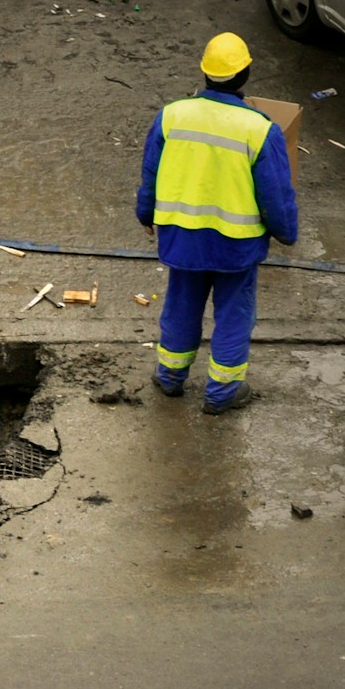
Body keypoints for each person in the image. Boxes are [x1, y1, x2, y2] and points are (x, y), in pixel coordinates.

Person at [135, 32, 300, 414]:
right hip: (235, 244)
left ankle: (170, 377)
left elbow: (150, 173)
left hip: (182, 238)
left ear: (204, 72)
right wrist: (286, 233)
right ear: (245, 74)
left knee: (181, 304)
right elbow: (276, 195)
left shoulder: (173, 115)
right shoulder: (259, 128)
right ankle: (222, 393)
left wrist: (146, 214)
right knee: (233, 314)